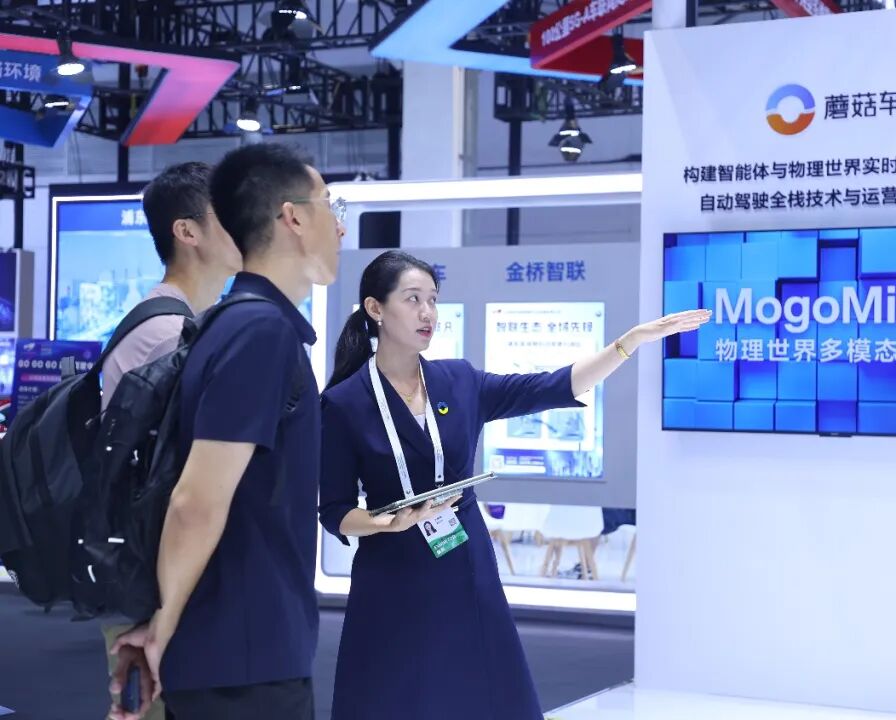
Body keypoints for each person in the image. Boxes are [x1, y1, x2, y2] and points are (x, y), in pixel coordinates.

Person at [318, 249, 710, 720]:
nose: (428, 313)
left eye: (433, 300)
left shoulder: (458, 380)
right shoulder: (344, 403)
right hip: (391, 574)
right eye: (413, 299)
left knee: (482, 695)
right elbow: (335, 509)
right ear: (375, 308)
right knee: (393, 697)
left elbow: (552, 386)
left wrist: (628, 343)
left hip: (464, 564)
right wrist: (385, 523)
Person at [108, 143, 345, 720]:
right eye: (330, 205)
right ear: (293, 217)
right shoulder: (259, 332)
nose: (340, 225)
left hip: (242, 647)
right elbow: (197, 501)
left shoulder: (241, 323)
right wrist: (163, 627)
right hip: (242, 656)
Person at [101, 161, 242, 720]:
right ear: (187, 231)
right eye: (227, 213)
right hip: (150, 571)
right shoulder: (167, 332)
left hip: (157, 565)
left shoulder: (179, 321)